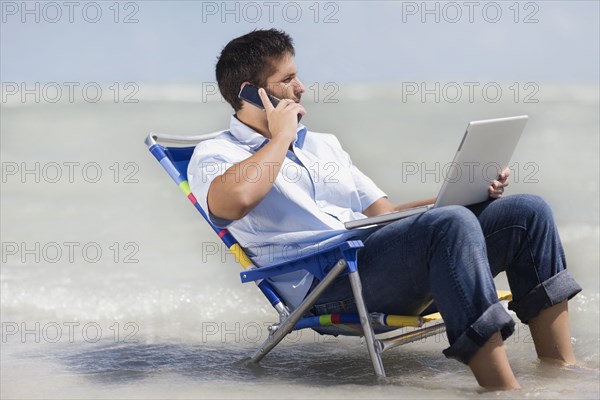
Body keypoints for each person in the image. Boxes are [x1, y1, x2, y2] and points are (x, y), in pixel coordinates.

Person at [187, 29, 582, 390]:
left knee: (526, 212)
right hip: (331, 286)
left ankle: (561, 368)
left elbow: (385, 211)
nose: (301, 87)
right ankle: (501, 388)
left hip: (380, 265)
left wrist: (465, 193)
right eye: (287, 80)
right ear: (251, 92)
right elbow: (229, 206)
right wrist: (281, 137)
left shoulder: (323, 145)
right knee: (451, 225)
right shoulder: (216, 154)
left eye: (297, 75)